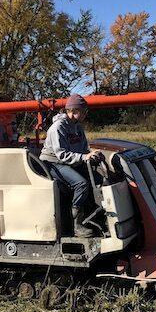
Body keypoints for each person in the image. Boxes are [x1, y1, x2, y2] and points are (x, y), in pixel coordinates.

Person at [39, 93, 104, 238]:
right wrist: (84, 157)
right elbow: (61, 154)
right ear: (73, 111)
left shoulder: (77, 127)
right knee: (81, 183)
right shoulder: (58, 128)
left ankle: (96, 216)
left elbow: (82, 149)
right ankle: (76, 225)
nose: (85, 114)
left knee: (99, 178)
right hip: (53, 163)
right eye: (83, 111)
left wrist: (91, 154)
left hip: (68, 161)